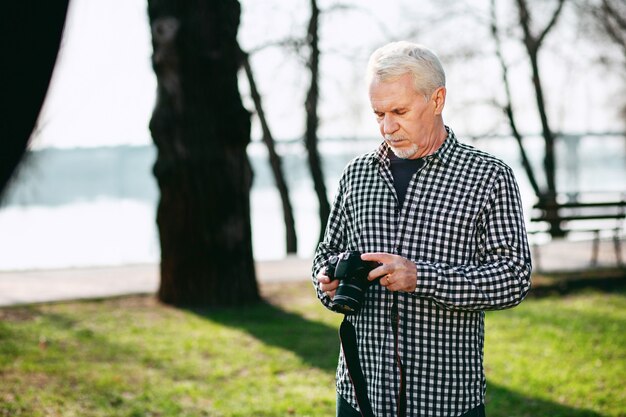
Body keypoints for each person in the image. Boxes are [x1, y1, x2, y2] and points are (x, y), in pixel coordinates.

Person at [312, 41, 532, 417]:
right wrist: (327, 281)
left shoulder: (488, 176)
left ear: (437, 100)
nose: (387, 127)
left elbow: (513, 277)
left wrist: (422, 278)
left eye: (399, 111)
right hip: (359, 396)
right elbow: (324, 254)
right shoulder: (357, 174)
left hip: (445, 401)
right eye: (378, 113)